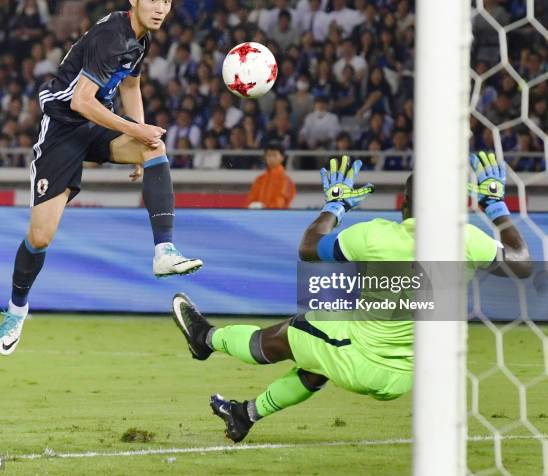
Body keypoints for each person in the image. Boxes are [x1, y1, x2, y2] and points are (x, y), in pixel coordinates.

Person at [171, 151, 531, 442]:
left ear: (402, 204)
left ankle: (206, 339)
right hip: (408, 373)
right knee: (318, 361)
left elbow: (308, 248)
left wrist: (335, 207)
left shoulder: (374, 235)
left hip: (364, 360)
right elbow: (522, 264)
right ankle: (244, 415)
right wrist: (496, 208)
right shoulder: (467, 239)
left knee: (284, 336)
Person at [0, 0, 203, 356]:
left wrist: (141, 142)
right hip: (62, 131)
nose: (160, 8)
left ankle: (164, 251)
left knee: (155, 146)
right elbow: (80, 101)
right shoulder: (113, 35)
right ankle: (16, 309)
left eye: (167, 1)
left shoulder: (140, 37)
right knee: (40, 237)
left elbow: (131, 84)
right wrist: (135, 130)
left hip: (94, 124)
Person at [245, 141, 296, 209]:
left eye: (274, 155)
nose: (271, 158)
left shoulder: (286, 180)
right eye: (268, 155)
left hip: (279, 217)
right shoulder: (259, 179)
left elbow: (280, 204)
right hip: (259, 215)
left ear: (282, 157)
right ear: (265, 157)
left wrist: (263, 207)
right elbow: (250, 200)